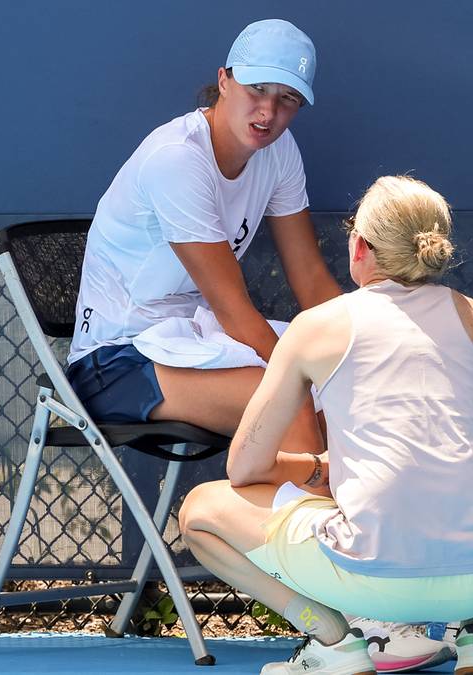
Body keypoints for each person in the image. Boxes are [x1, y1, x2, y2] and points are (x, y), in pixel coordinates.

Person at [179, 175, 473, 675]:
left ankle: (334, 642)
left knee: (200, 510)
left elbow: (244, 468)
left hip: (362, 577)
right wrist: (448, 461)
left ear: (360, 246)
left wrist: (314, 469)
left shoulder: (316, 325)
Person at [66, 19, 338, 488]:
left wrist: (371, 350)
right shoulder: (176, 159)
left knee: (338, 403)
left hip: (194, 338)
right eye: (257, 88)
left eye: (287, 99)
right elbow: (234, 313)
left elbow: (311, 279)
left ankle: (339, 543)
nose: (268, 111)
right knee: (290, 397)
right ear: (224, 80)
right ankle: (311, 552)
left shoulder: (280, 152)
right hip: (113, 363)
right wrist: (317, 373)